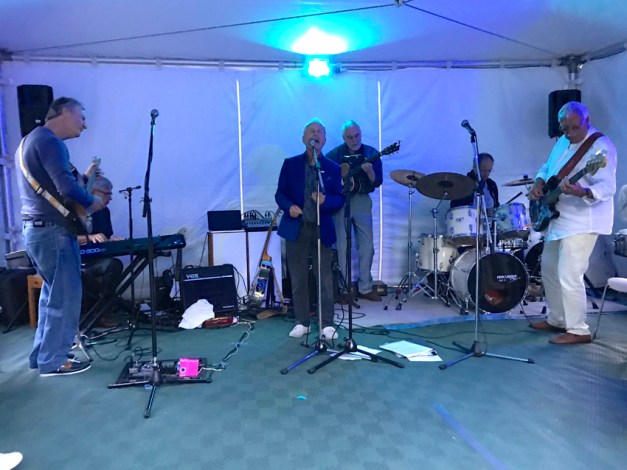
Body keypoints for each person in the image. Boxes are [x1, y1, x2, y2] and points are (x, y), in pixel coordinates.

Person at [17, 97, 105, 376]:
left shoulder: (31, 140)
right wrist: (92, 201)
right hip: (53, 230)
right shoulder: (51, 141)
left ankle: (42, 356)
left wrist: (86, 177)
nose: (84, 124)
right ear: (64, 112)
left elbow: (56, 185)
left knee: (52, 296)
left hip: (38, 229)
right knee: (65, 297)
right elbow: (66, 187)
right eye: (82, 117)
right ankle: (53, 360)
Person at [528, 101, 617, 345]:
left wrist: (582, 191)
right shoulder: (562, 141)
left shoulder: (601, 147)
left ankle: (579, 329)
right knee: (548, 268)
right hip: (558, 218)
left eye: (574, 128)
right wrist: (538, 183)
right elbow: (547, 167)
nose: (569, 133)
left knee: (569, 273)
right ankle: (557, 319)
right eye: (564, 128)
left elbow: (608, 186)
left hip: (583, 220)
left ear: (587, 121)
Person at [275, 119, 344, 339]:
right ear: (304, 138)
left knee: (325, 278)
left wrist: (325, 201)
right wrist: (289, 207)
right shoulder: (290, 164)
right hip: (297, 228)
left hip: (322, 229)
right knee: (298, 277)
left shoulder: (333, 168)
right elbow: (280, 194)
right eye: (311, 131)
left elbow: (339, 199)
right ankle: (301, 322)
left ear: (324, 139)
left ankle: (326, 324)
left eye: (319, 132)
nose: (315, 134)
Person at [326, 120, 383, 303]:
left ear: (361, 134)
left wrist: (370, 172)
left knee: (367, 246)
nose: (354, 140)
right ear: (344, 138)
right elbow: (326, 178)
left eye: (357, 135)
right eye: (350, 137)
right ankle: (344, 289)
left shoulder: (371, 153)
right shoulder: (334, 155)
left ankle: (365, 287)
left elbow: (377, 182)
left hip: (362, 200)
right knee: (342, 246)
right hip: (341, 202)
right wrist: (338, 184)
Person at [78, 175, 124, 327]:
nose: (110, 197)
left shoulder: (104, 212)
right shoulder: (76, 209)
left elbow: (105, 237)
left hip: (97, 259)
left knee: (114, 265)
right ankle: (94, 313)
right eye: (106, 193)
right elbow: (66, 237)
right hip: (76, 260)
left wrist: (111, 241)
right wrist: (89, 237)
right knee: (86, 278)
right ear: (92, 191)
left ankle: (101, 312)